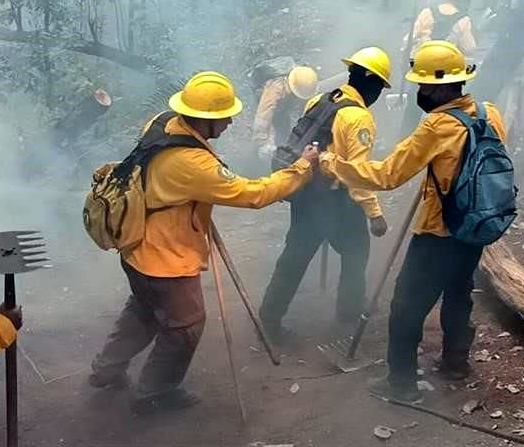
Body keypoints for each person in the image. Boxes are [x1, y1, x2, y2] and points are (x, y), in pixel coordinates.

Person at [89, 71, 319, 415]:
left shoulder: (164, 123)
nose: (228, 123)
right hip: (164, 259)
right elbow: (253, 194)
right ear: (203, 118)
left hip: (137, 248)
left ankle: (106, 369)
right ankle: (154, 392)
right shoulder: (193, 163)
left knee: (144, 310)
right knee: (185, 326)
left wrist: (191, 200)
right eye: (222, 118)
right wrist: (301, 169)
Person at [320, 41, 507, 403]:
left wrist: (334, 165)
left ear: (441, 86)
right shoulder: (489, 112)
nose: (419, 92)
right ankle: (455, 362)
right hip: (477, 224)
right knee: (458, 293)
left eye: (423, 86)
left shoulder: (436, 126)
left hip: (439, 232)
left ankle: (401, 385)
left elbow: (388, 175)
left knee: (405, 306)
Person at [259, 47, 392, 338]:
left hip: (305, 192)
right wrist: (375, 214)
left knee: (294, 255)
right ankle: (348, 313)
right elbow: (357, 174)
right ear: (372, 84)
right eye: (380, 87)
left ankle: (269, 317)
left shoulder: (322, 99)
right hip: (335, 200)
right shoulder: (358, 118)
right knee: (356, 252)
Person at [252, 65, 319, 160]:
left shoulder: (303, 78)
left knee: (285, 129)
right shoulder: (275, 89)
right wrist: (262, 142)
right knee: (280, 122)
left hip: (287, 95)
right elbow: (263, 115)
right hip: (267, 96)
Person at [406, 0, 476, 57]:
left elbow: (412, 36)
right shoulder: (464, 20)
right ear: (461, 0)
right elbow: (468, 48)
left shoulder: (427, 12)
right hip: (447, 62)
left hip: (422, 60)